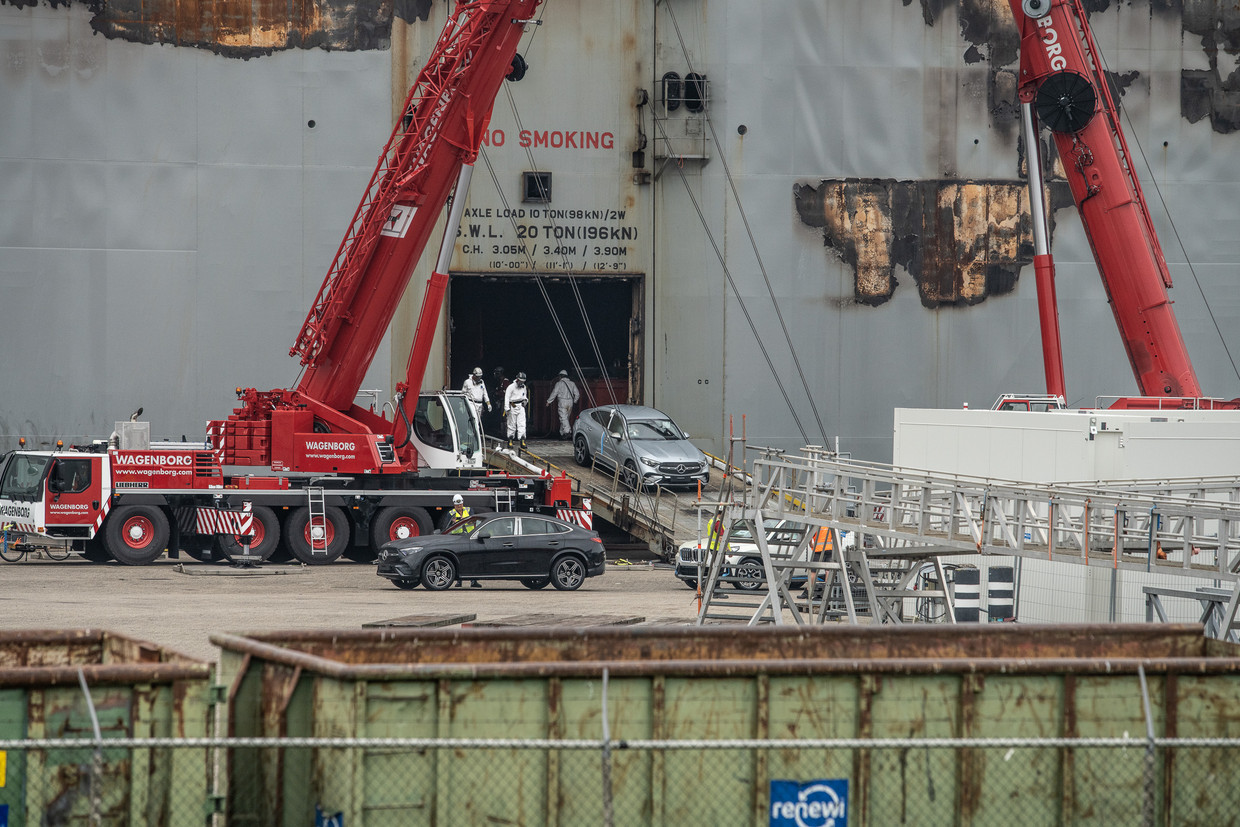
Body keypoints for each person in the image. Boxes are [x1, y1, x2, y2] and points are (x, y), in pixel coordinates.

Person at [442, 494, 481, 588]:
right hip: (458, 538)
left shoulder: (469, 510)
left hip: (470, 537)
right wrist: (453, 522)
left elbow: (473, 521)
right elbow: (447, 527)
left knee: (473, 559)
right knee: (459, 559)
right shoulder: (451, 514)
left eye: (460, 504)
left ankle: (474, 581)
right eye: (457, 505)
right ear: (454, 505)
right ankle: (459, 581)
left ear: (463, 503)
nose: (459, 506)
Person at [799, 526, 834, 601]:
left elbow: (809, 537)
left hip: (818, 549)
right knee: (828, 570)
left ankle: (808, 591)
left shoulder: (816, 525)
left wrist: (811, 545)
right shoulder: (829, 526)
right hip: (829, 549)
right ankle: (826, 591)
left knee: (813, 571)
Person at [545, 369, 580, 440]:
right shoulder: (572, 383)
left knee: (563, 418)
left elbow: (554, 393)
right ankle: (562, 433)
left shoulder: (559, 383)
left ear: (560, 376)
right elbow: (577, 394)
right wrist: (575, 401)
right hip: (570, 402)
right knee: (565, 418)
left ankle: (568, 432)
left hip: (562, 402)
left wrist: (549, 401)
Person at [504, 371, 529, 450]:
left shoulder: (524, 387)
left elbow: (524, 396)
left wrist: (525, 400)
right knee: (512, 423)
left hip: (521, 406)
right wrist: (507, 408)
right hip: (513, 405)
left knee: (522, 423)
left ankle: (522, 440)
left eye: (523, 382)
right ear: (517, 379)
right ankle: (510, 440)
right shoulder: (511, 387)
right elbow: (507, 398)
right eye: (520, 381)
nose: (521, 383)